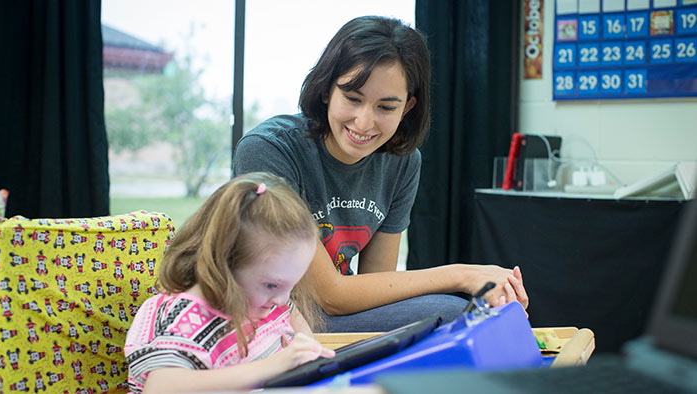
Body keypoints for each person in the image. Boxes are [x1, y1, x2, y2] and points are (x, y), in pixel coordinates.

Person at [232, 16, 528, 332]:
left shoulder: (402, 162)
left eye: (385, 108)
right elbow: (327, 294)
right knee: (457, 314)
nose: (364, 122)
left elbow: (375, 287)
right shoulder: (268, 150)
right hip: (267, 316)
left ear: (407, 108)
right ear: (326, 91)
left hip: (330, 318)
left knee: (479, 313)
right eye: (352, 98)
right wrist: (463, 275)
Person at [124, 172, 335, 393]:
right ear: (224, 264)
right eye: (272, 286)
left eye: (292, 285)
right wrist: (273, 366)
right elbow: (160, 388)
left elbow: (290, 312)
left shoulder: (264, 298)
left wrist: (308, 355)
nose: (282, 299)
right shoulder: (188, 317)